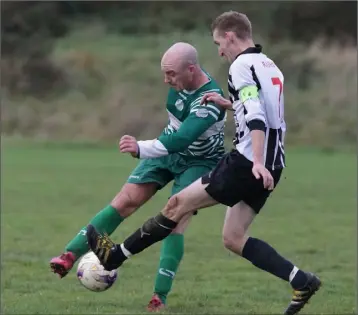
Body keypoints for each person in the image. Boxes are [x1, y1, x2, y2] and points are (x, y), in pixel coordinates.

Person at [86, 11, 321, 315]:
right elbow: (261, 107)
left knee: (176, 206)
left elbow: (257, 117)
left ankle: (114, 256)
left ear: (230, 36)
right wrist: (229, 104)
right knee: (233, 238)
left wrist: (256, 161)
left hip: (248, 162)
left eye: (218, 43)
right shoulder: (268, 65)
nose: (219, 51)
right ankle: (302, 281)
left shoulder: (240, 66)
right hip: (275, 164)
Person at [50, 42, 227, 311]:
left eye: (171, 74)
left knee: (174, 221)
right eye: (164, 73)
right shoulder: (178, 85)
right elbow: (174, 133)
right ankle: (68, 255)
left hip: (199, 161)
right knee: (124, 201)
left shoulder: (210, 100)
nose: (166, 80)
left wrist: (141, 148)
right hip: (167, 152)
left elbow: (182, 138)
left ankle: (159, 296)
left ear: (191, 69)